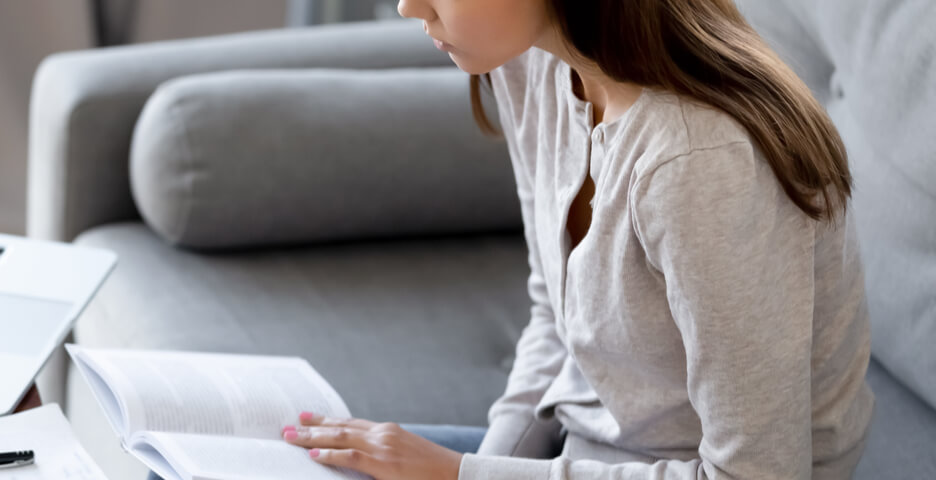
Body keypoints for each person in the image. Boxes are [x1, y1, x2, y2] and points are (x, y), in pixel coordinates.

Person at [278, 0, 875, 479]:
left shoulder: (698, 162)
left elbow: (757, 474)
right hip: (578, 450)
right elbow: (554, 313)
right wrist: (490, 460)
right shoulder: (529, 60)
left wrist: (461, 475)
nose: (410, 8)